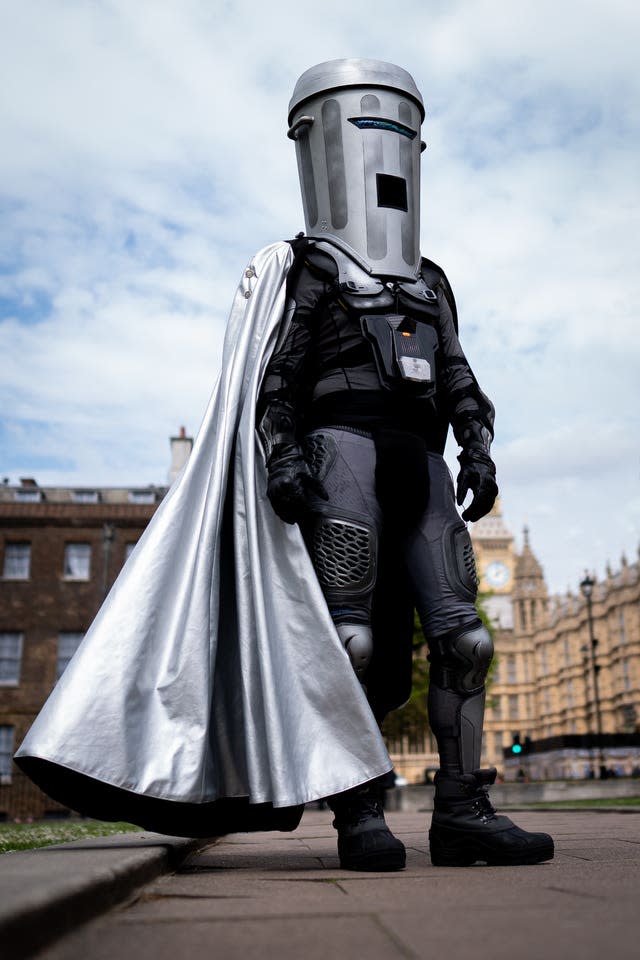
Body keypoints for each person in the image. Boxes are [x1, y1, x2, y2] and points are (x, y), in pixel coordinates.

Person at [257, 58, 554, 869]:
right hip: (341, 454)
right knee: (348, 640)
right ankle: (360, 811)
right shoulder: (310, 267)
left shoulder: (429, 279)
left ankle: (462, 810)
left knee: (467, 640)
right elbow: (278, 376)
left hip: (421, 464)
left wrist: (478, 444)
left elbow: (457, 369)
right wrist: (284, 454)